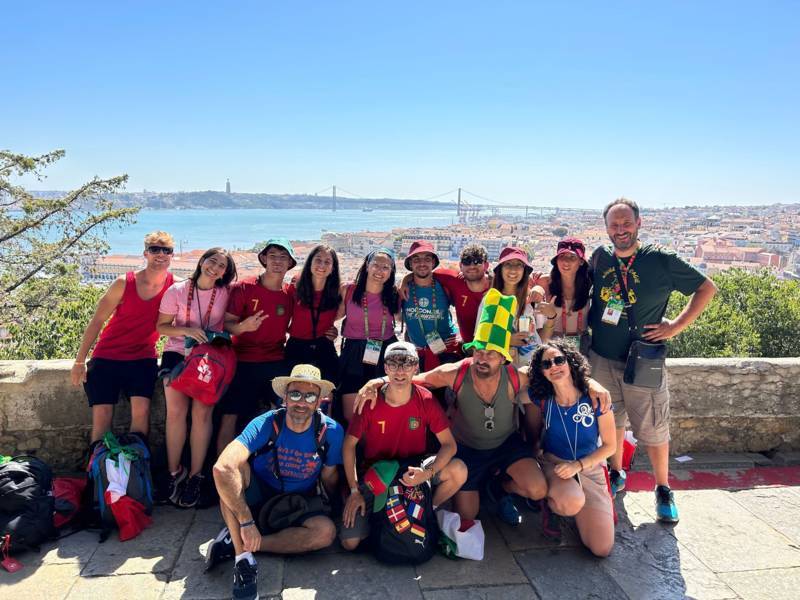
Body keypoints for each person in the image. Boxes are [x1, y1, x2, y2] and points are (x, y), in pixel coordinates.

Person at [358, 290, 612, 527]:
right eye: (479, 351)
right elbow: (416, 378)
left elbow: (558, 373)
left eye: (491, 353)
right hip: (467, 450)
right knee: (467, 515)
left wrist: (592, 384)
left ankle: (501, 488)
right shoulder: (456, 372)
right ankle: (482, 486)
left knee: (537, 489)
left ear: (503, 358)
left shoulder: (516, 377)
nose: (482, 358)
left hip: (506, 445)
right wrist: (377, 381)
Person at [589, 197, 717, 523]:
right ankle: (616, 472)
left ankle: (662, 488)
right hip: (602, 356)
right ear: (606, 228)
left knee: (655, 427)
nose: (621, 230)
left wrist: (675, 326)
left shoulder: (659, 259)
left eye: (626, 223)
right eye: (614, 225)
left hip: (643, 359)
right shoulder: (600, 258)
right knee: (612, 420)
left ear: (638, 223)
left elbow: (706, 288)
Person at [209, 364, 344, 600]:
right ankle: (243, 560)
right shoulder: (266, 423)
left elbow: (329, 475)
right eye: (295, 394)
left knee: (325, 533)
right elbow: (222, 467)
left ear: (319, 401)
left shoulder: (330, 431)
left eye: (310, 396)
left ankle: (246, 543)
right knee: (231, 472)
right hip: (260, 493)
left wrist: (337, 506)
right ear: (285, 397)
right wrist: (246, 521)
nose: (302, 402)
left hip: (298, 500)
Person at [340, 341, 467, 550]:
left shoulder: (425, 399)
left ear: (416, 368)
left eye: (407, 364)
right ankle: (380, 518)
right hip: (377, 475)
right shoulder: (370, 400)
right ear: (385, 368)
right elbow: (348, 445)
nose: (400, 371)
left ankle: (428, 511)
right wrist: (354, 490)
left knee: (458, 470)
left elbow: (449, 445)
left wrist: (427, 473)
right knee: (350, 543)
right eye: (393, 364)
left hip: (413, 471)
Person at [70, 231, 175, 446]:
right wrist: (79, 361)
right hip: (107, 355)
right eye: (155, 249)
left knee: (142, 412)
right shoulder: (124, 283)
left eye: (167, 250)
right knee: (102, 415)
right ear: (145, 253)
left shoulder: (175, 288)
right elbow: (97, 321)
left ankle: (137, 463)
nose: (161, 254)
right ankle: (99, 463)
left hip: (142, 357)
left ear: (172, 255)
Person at [157, 247, 238, 507]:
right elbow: (161, 326)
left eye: (221, 266)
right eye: (212, 261)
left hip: (208, 356)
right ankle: (174, 472)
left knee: (202, 414)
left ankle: (195, 475)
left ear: (225, 273)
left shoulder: (225, 293)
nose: (215, 268)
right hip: (177, 354)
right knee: (176, 413)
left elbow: (233, 320)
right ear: (202, 262)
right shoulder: (177, 290)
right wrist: (187, 330)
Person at [527, 340, 616, 556]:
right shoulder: (542, 400)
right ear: (541, 372)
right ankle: (552, 505)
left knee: (601, 548)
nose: (554, 366)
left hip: (589, 466)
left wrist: (578, 466)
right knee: (570, 502)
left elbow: (610, 446)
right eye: (546, 364)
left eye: (559, 360)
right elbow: (532, 434)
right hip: (555, 464)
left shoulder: (596, 399)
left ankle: (583, 506)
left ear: (570, 361)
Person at [219, 238, 297, 453]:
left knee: (285, 413)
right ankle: (221, 466)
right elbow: (227, 323)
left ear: (290, 263)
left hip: (275, 360)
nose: (278, 261)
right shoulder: (244, 287)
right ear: (263, 258)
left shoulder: (290, 294)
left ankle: (277, 463)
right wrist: (243, 327)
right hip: (242, 360)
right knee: (229, 416)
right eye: (273, 256)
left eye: (283, 257)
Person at [338, 248, 400, 423]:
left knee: (381, 407)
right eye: (376, 265)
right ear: (367, 265)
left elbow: (405, 318)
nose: (380, 271)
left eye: (386, 267)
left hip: (385, 351)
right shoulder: (348, 290)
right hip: (353, 352)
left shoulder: (395, 294)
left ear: (391, 271)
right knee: (351, 412)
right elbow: (333, 315)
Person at [285, 244, 342, 394]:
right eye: (318, 260)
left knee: (328, 393)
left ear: (333, 268)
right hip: (297, 347)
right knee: (293, 393)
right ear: (310, 262)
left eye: (327, 262)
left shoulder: (337, 291)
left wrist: (334, 331)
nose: (322, 265)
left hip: (324, 347)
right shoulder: (296, 285)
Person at [488, 246, 555, 368]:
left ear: (525, 270)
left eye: (519, 265)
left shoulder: (533, 299)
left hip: (533, 368)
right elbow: (480, 340)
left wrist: (551, 317)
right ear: (500, 269)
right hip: (504, 371)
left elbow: (542, 338)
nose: (513, 269)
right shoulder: (490, 301)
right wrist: (507, 340)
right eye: (508, 264)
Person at [400, 240, 460, 371]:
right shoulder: (403, 290)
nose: (422, 263)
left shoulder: (445, 285)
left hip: (447, 350)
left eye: (427, 259)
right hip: (418, 354)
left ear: (433, 262)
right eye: (416, 259)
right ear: (410, 264)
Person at [422, 243, 492, 345]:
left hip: (490, 349)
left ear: (486, 265)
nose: (472, 266)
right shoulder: (455, 281)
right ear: (460, 266)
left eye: (477, 261)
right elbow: (425, 274)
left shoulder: (496, 286)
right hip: (466, 347)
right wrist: (405, 280)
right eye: (467, 261)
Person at [538, 238, 592, 347]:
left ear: (581, 261)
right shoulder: (546, 282)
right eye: (562, 256)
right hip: (554, 346)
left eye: (572, 257)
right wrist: (536, 289)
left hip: (583, 346)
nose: (566, 262)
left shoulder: (590, 283)